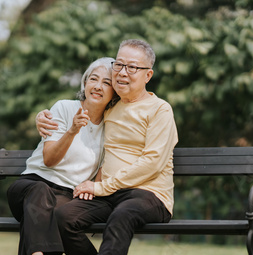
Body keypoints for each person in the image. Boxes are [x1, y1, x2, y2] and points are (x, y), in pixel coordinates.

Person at [36, 39, 178, 255]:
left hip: (149, 195)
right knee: (63, 217)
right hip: (110, 194)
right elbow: (81, 110)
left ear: (148, 75)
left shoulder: (160, 110)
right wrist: (42, 116)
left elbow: (152, 163)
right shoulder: (111, 108)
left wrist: (100, 187)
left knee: (122, 215)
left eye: (132, 67)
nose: (122, 72)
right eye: (119, 65)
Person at [6, 57, 118, 255]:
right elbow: (49, 160)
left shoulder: (112, 125)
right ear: (85, 83)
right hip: (30, 186)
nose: (98, 86)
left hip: (65, 195)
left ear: (114, 92)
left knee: (52, 218)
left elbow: (105, 164)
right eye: (93, 79)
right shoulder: (64, 108)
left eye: (107, 82)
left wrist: (94, 187)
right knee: (41, 193)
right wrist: (72, 130)